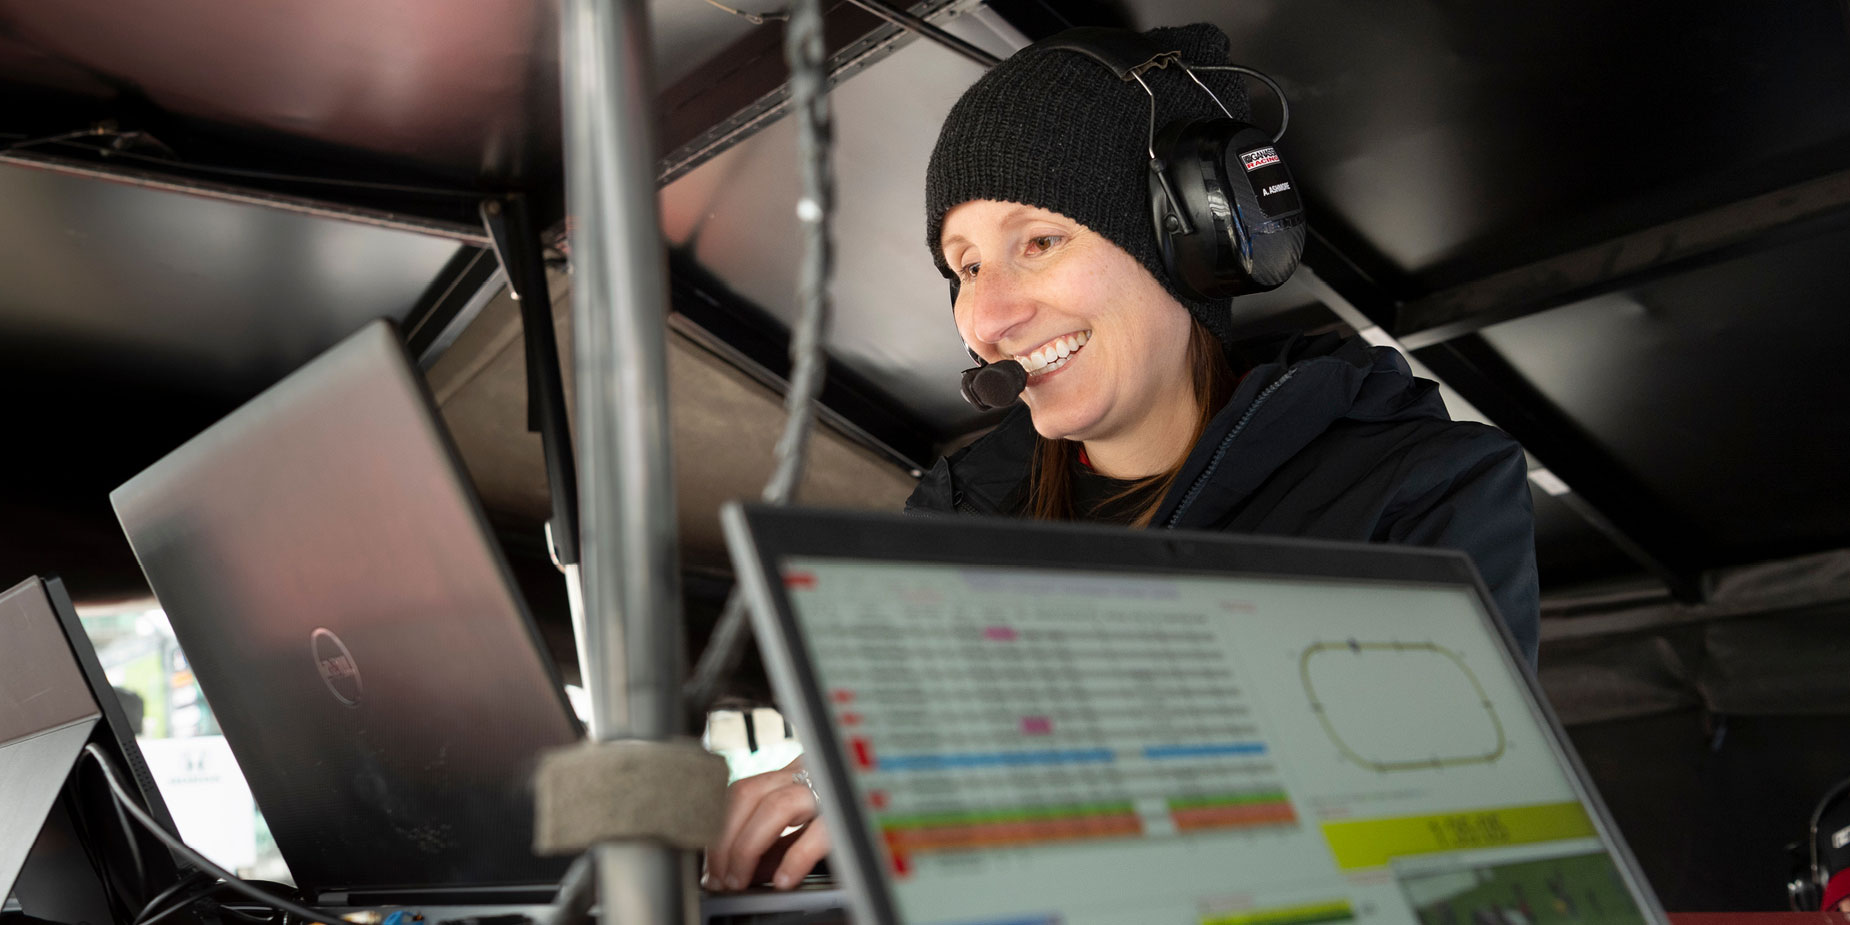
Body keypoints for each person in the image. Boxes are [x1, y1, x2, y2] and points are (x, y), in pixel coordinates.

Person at [704, 21, 1540, 893]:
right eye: (964, 266)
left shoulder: (1425, 491)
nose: (988, 319)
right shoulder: (956, 520)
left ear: (1195, 239)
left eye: (1038, 242)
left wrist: (943, 796)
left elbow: (1422, 849)